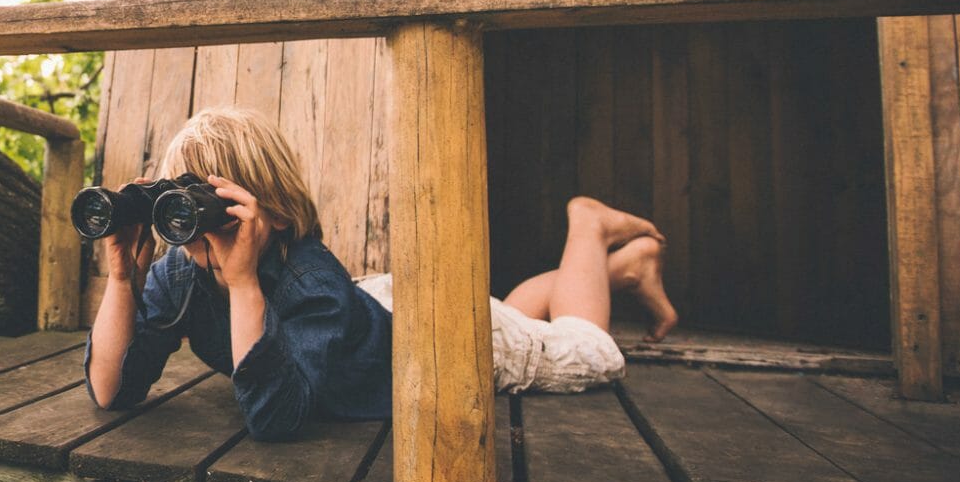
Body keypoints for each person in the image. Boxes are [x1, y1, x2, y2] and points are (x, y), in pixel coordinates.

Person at [85, 107, 679, 440]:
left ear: (262, 208)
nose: (190, 227)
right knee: (514, 315)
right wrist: (121, 280)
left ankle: (589, 228)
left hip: (436, 339)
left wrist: (242, 284)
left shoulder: (308, 280)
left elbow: (274, 420)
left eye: (202, 206)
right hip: (371, 311)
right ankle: (619, 270)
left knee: (592, 350)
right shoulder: (180, 276)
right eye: (175, 206)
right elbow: (110, 391)